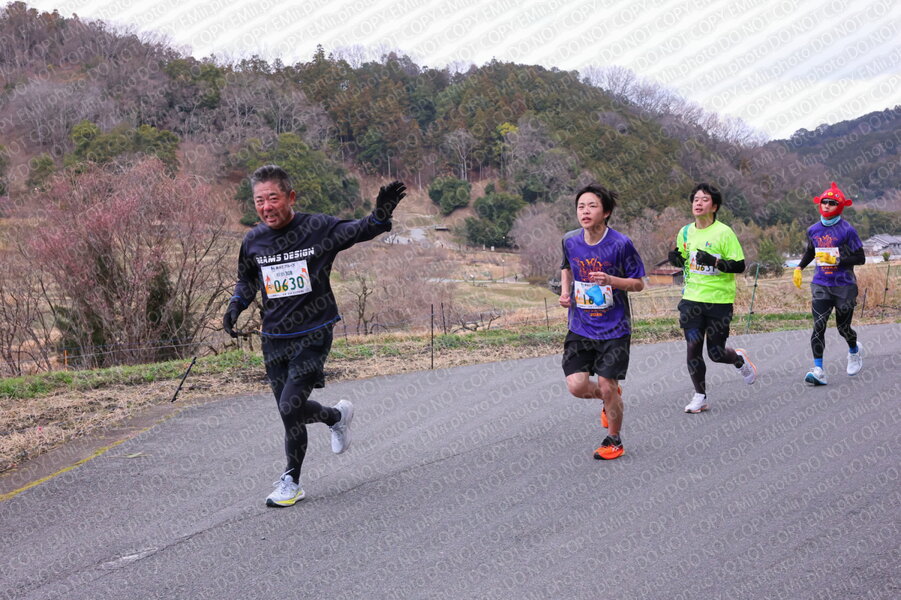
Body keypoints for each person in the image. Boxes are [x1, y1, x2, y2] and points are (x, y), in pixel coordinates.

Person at [223, 164, 405, 507]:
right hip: (274, 337)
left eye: (273, 198)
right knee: (289, 411)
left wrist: (381, 215)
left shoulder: (317, 228)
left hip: (313, 333)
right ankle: (336, 416)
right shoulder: (253, 240)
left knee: (289, 405)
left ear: (290, 197)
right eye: (259, 201)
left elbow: (362, 229)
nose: (266, 207)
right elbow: (247, 279)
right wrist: (236, 304)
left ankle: (291, 481)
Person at [559, 184, 646, 460]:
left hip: (614, 328)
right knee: (576, 386)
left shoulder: (621, 244)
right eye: (581, 206)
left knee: (607, 384)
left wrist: (611, 280)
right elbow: (566, 267)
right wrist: (565, 292)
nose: (585, 211)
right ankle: (610, 397)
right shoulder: (570, 240)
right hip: (580, 326)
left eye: (592, 206)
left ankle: (614, 440)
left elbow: (638, 284)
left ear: (606, 212)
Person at [667, 183, 757, 414]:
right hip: (691, 298)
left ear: (714, 206)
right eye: (695, 199)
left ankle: (737, 358)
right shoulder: (685, 232)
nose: (698, 203)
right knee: (693, 347)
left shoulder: (724, 233)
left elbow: (739, 265)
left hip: (719, 300)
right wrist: (676, 259)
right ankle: (700, 396)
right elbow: (684, 260)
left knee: (716, 353)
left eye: (704, 199)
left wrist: (715, 262)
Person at [792, 182, 865, 385]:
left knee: (843, 328)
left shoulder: (848, 230)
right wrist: (799, 267)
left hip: (844, 286)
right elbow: (810, 251)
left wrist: (838, 260)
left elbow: (861, 258)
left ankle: (854, 351)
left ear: (840, 206)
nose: (827, 205)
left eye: (832, 203)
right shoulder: (813, 230)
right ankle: (818, 370)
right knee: (818, 325)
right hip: (821, 284)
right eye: (824, 202)